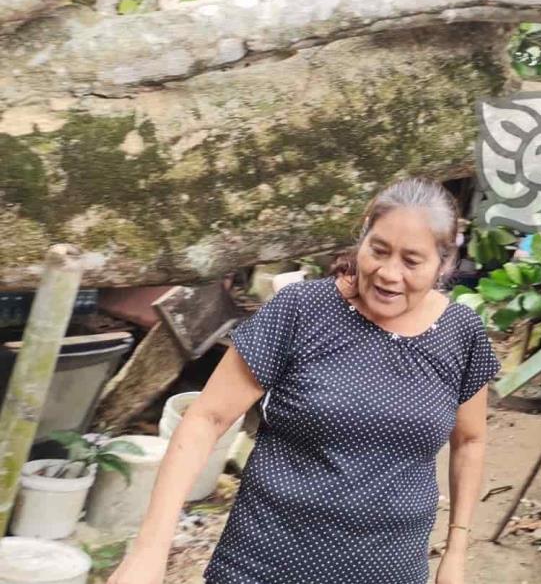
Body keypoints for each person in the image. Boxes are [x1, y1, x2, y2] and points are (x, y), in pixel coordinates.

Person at [108, 177, 501, 584]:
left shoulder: (461, 333)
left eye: (411, 261)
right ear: (362, 237)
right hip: (264, 564)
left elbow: (470, 441)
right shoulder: (301, 310)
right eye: (378, 250)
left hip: (388, 569)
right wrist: (149, 549)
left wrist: (456, 552)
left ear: (443, 264)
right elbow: (206, 418)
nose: (388, 273)